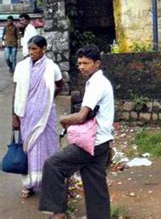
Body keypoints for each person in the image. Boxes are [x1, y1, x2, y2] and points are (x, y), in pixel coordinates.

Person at [39, 44, 114, 219]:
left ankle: (58, 213)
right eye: (79, 63)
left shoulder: (96, 84)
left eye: (85, 63)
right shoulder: (100, 82)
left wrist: (63, 119)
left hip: (91, 143)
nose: (81, 67)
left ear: (97, 63)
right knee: (96, 186)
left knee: (53, 165)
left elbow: (81, 116)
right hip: (101, 142)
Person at [12, 35, 63, 198]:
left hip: (45, 115)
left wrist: (46, 99)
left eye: (34, 49)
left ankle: (49, 183)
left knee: (48, 148)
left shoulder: (51, 67)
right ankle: (28, 185)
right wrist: (14, 115)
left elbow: (60, 85)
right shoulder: (21, 67)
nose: (31, 52)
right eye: (29, 48)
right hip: (26, 115)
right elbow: (16, 91)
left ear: (44, 49)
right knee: (28, 148)